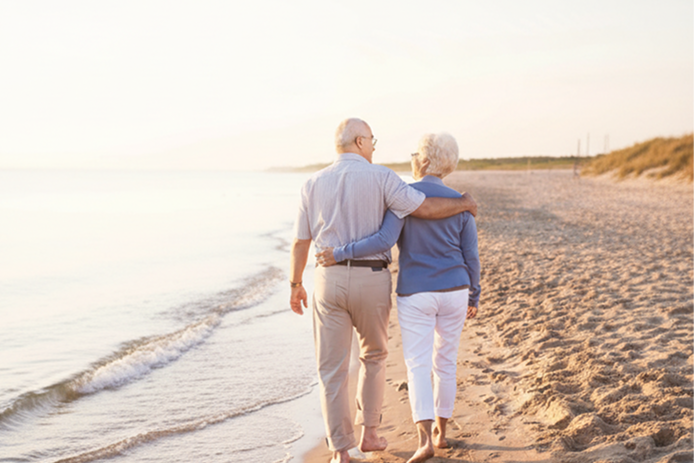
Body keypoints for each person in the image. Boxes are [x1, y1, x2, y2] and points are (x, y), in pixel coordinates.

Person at [290, 119, 477, 463]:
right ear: (360, 141)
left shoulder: (311, 183)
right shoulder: (385, 178)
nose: (375, 146)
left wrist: (295, 284)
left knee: (332, 368)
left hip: (328, 280)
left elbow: (301, 241)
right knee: (374, 357)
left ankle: (340, 451)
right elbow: (425, 209)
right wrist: (464, 204)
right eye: (372, 140)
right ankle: (372, 433)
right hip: (374, 278)